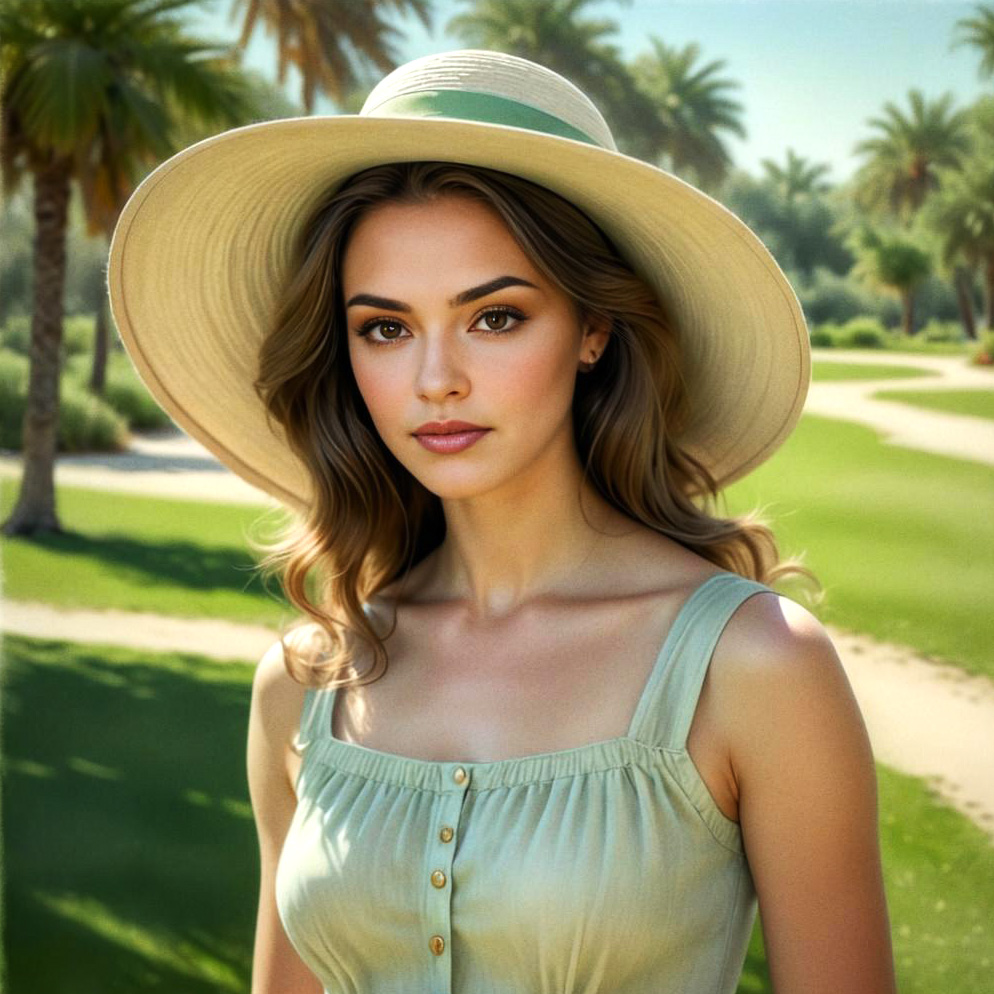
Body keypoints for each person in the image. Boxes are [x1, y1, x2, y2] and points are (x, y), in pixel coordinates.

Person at [107, 49, 897, 994]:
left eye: (495, 318)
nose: (436, 377)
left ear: (592, 329)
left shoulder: (755, 667)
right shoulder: (307, 680)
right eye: (386, 328)